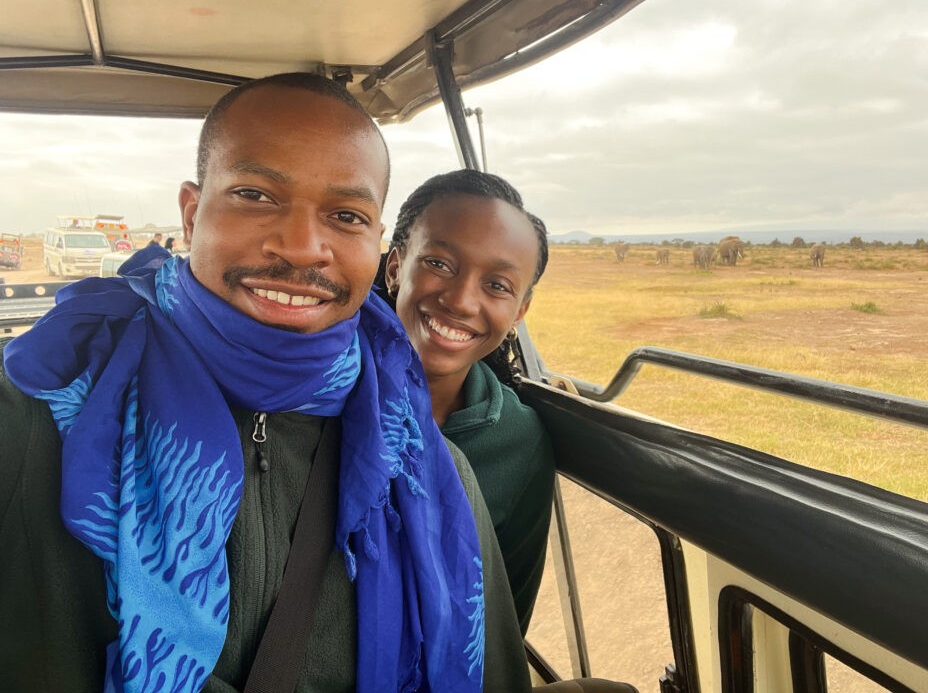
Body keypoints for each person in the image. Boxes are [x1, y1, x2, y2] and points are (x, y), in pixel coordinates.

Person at [0, 73, 531, 692]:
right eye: (255, 195)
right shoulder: (41, 411)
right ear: (193, 213)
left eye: (345, 215)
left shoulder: (426, 473)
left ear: (376, 243)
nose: (304, 248)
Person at [380, 170, 555, 635]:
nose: (460, 300)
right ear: (396, 267)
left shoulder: (518, 440)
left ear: (519, 311)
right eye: (439, 264)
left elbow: (501, 626)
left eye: (497, 285)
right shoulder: (313, 390)